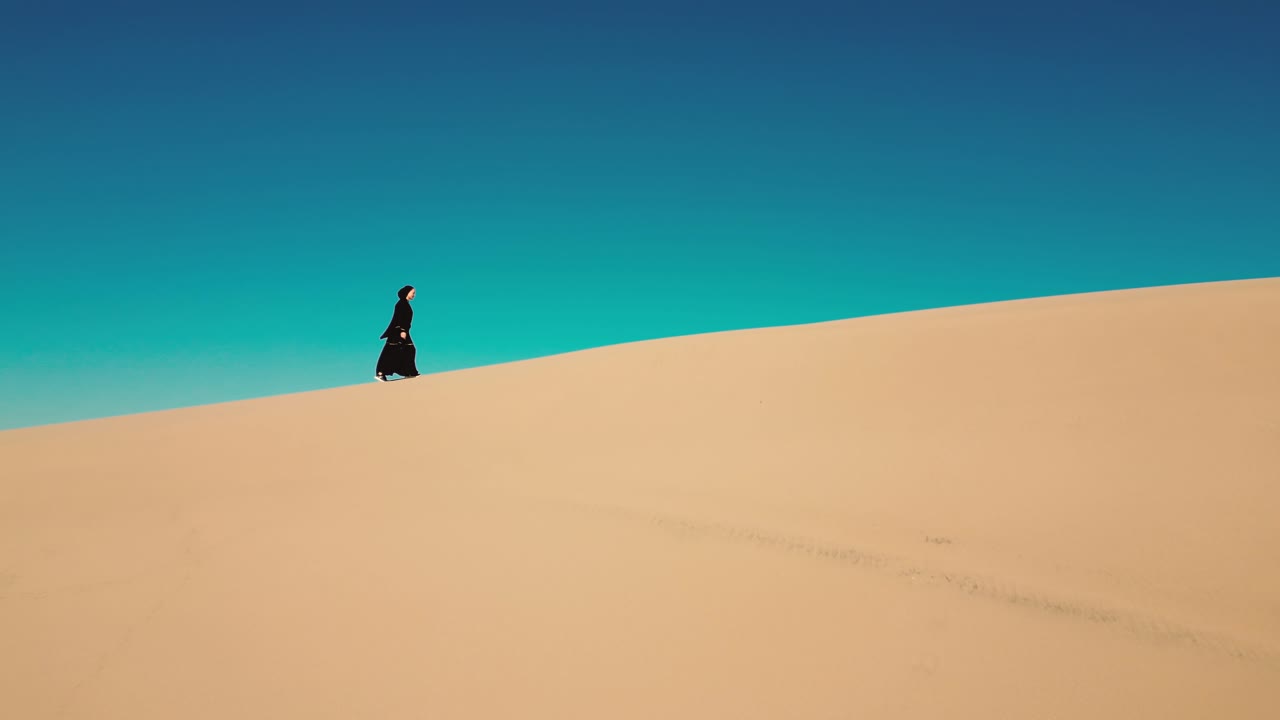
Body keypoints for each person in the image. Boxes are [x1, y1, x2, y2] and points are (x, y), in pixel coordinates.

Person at [375, 285, 420, 381]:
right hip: (398, 332)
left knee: (408, 350)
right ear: (407, 292)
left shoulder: (405, 304)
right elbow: (399, 318)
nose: (414, 295)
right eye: (413, 293)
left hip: (403, 331)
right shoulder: (401, 304)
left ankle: (409, 372)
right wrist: (402, 331)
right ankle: (381, 373)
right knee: (393, 350)